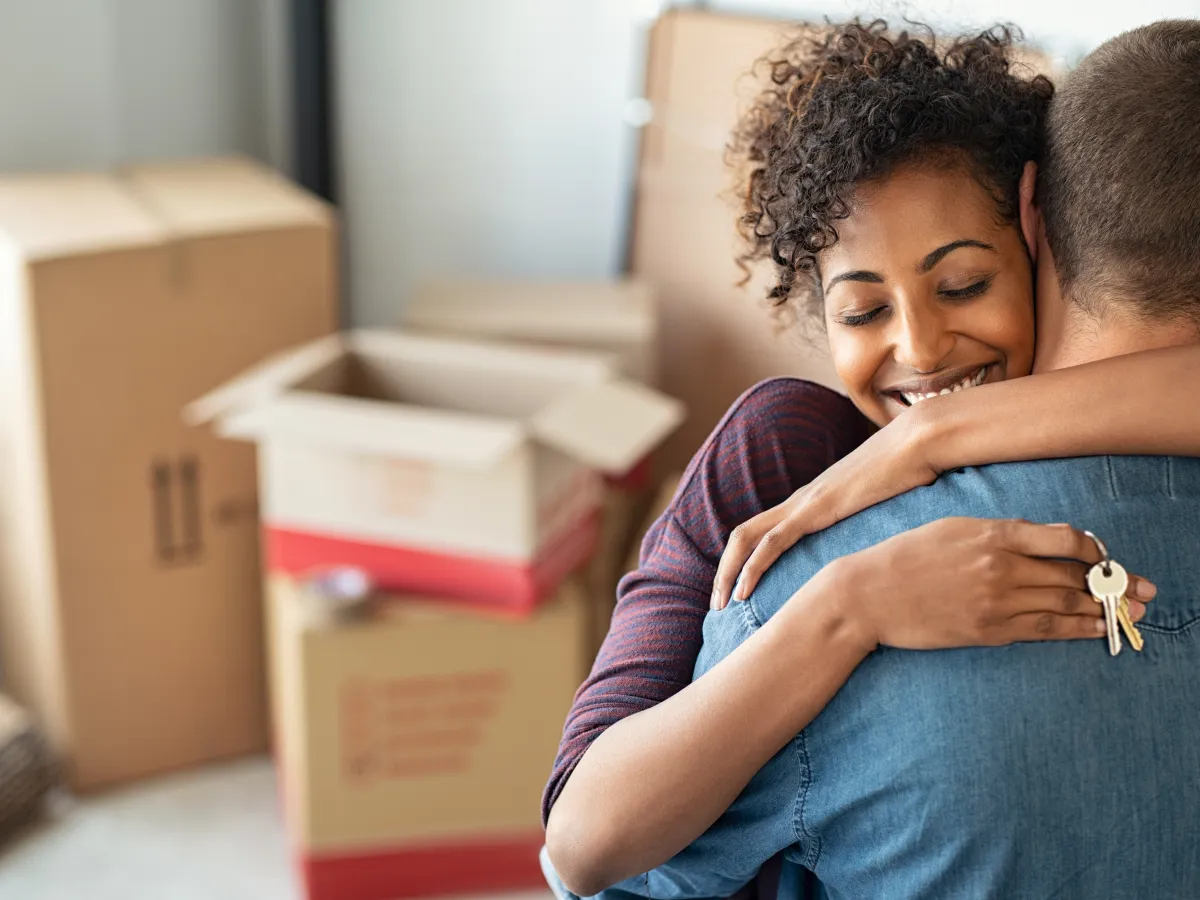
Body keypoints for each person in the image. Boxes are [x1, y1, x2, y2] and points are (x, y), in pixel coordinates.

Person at [542, 18, 1200, 899]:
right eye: (862, 312)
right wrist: (848, 607)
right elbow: (581, 846)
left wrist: (935, 437)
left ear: (1036, 230)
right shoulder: (776, 467)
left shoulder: (894, 485)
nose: (923, 349)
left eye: (965, 285)